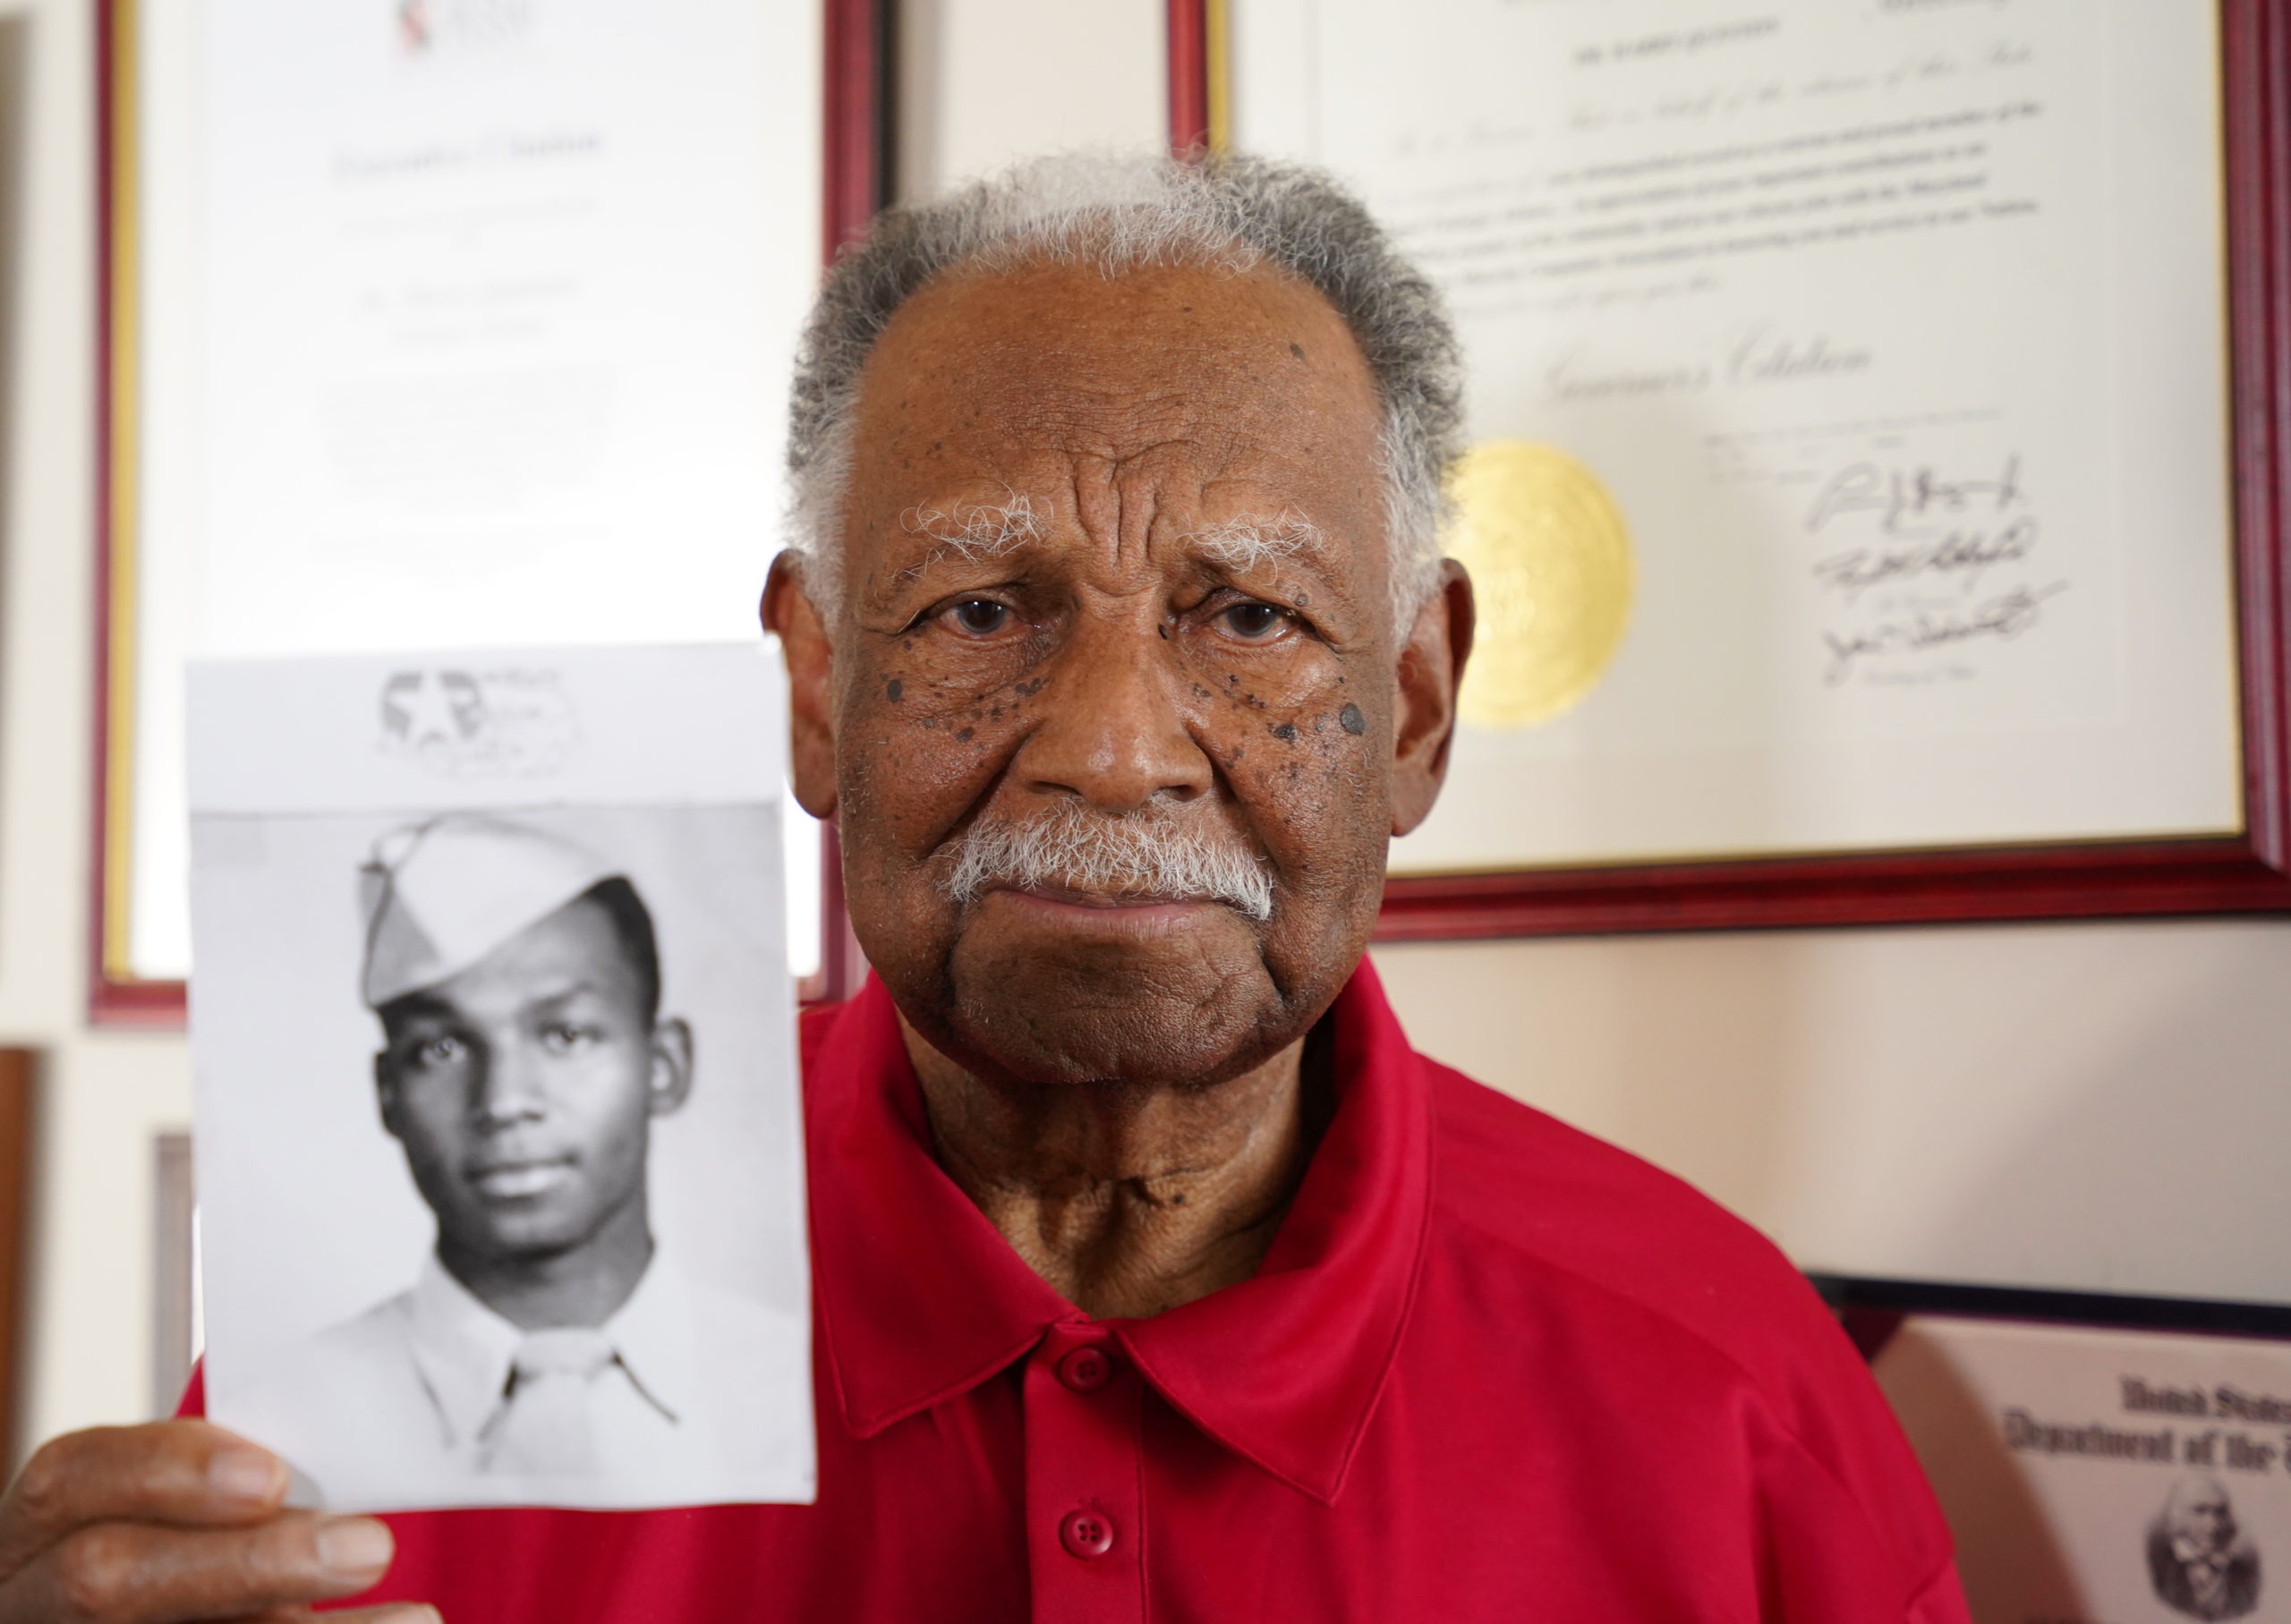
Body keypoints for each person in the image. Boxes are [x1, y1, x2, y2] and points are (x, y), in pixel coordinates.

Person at [0, 152, 1971, 1623]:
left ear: (1417, 707)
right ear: (811, 692)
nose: (1112, 743)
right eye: (977, 605)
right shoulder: (368, 1397)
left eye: (1249, 615)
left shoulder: (1729, 1409)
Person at [223, 815, 811, 1510]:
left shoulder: (807, 1390)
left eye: (565, 1034)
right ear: (388, 1093)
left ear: (664, 1065)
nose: (503, 1101)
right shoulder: (260, 1424)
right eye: (441, 1048)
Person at [2148, 1474, 2261, 1620]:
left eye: (2220, 1512)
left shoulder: (2245, 1574)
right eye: (2200, 1511)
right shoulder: (2157, 1567)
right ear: (2177, 1516)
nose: (2213, 1525)